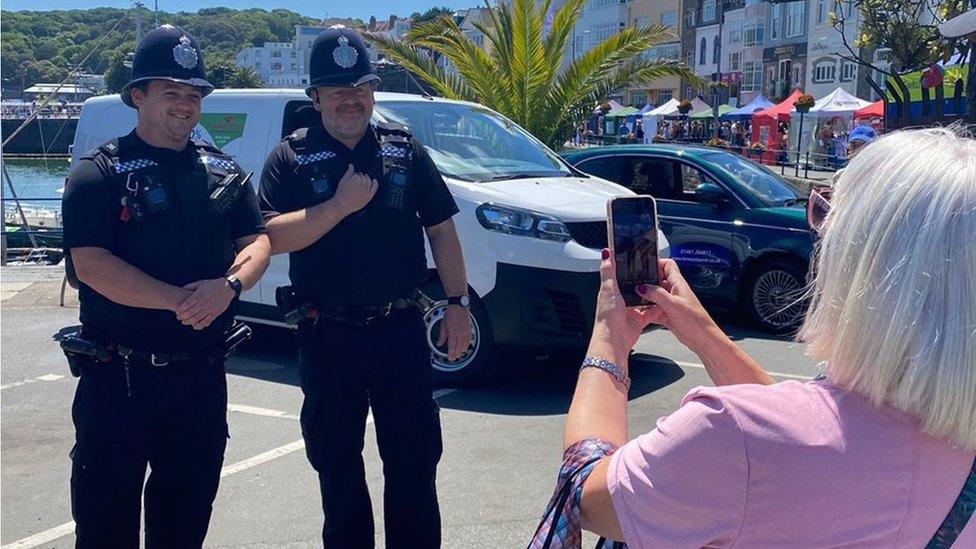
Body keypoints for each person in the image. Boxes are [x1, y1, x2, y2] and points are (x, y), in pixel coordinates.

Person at [533, 126, 976, 546]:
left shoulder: (729, 435)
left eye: (824, 216)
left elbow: (586, 495)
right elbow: (797, 431)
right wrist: (703, 332)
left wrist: (608, 337)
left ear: (861, 263)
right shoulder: (951, 437)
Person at [258, 28, 470, 548]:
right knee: (337, 467)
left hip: (399, 331)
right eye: (337, 90)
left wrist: (458, 303)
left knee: (415, 464)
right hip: (327, 334)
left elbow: (441, 229)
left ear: (372, 92)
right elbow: (269, 236)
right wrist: (338, 207)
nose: (351, 99)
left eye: (360, 88)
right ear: (316, 98)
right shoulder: (289, 157)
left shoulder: (404, 150)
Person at [60, 25, 270, 549]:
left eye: (194, 94)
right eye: (171, 92)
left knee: (184, 525)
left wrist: (229, 285)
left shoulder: (223, 171)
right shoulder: (99, 173)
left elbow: (258, 241)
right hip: (118, 379)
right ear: (138, 95)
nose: (185, 104)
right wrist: (179, 300)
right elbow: (91, 264)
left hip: (199, 380)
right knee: (105, 528)